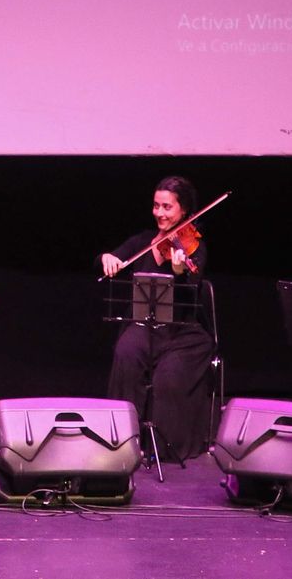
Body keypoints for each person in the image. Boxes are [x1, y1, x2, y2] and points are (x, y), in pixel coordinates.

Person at [99, 175, 214, 463]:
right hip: (145, 323)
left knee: (170, 375)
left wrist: (179, 271)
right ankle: (121, 440)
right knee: (126, 353)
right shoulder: (142, 240)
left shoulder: (193, 246)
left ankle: (166, 447)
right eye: (156, 206)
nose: (160, 213)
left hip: (183, 330)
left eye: (167, 207)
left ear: (184, 211)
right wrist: (107, 257)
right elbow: (114, 256)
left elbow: (194, 285)